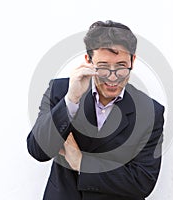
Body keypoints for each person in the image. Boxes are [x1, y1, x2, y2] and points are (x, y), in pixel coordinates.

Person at [27, 20, 165, 200]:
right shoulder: (60, 91)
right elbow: (38, 150)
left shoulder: (150, 112)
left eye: (122, 66)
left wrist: (82, 163)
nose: (112, 76)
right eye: (103, 66)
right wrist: (71, 100)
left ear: (133, 60)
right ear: (88, 60)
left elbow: (143, 181)